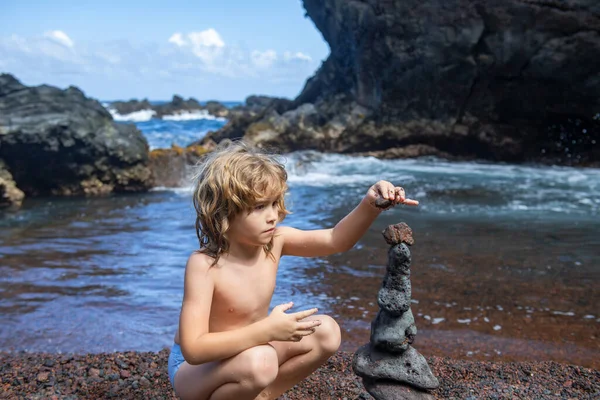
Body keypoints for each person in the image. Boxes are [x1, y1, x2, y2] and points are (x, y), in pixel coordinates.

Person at [168, 140, 418, 400]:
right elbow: (194, 349)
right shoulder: (205, 265)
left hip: (251, 352)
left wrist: (369, 204)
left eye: (275, 203)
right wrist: (266, 331)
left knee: (326, 331)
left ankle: (262, 396)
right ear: (224, 212)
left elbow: (336, 240)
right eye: (259, 206)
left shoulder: (275, 242)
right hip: (195, 371)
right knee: (261, 361)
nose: (273, 215)